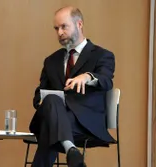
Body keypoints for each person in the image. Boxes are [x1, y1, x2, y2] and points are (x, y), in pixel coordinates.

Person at [28, 6, 117, 167]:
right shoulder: (51, 61)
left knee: (50, 128)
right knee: (52, 100)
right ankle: (72, 152)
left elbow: (106, 81)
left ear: (79, 24)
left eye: (64, 27)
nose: (59, 33)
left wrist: (88, 76)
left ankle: (70, 150)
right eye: (56, 29)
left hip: (84, 124)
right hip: (54, 117)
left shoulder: (102, 55)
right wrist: (42, 102)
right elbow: (38, 94)